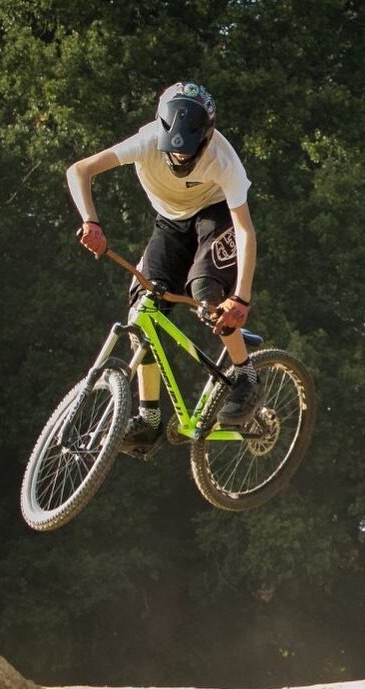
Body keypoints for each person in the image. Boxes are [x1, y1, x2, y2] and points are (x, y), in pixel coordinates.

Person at [65, 81, 260, 445]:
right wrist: (90, 220)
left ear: (206, 137)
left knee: (205, 290)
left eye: (190, 153)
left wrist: (241, 298)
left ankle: (246, 374)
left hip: (215, 215)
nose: (180, 161)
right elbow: (79, 171)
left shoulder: (223, 159)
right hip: (170, 223)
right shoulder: (146, 140)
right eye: (174, 153)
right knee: (143, 310)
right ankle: (148, 418)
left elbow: (244, 230)